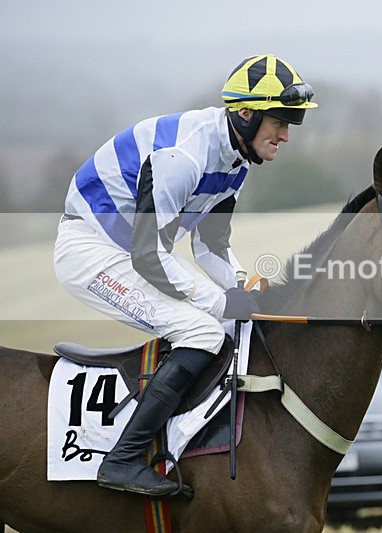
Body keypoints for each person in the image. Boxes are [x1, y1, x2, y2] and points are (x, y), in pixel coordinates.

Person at [53, 54, 317, 498]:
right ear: (246, 114)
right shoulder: (184, 156)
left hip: (130, 249)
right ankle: (122, 460)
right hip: (91, 250)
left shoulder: (236, 159)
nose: (287, 135)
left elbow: (210, 246)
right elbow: (149, 257)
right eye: (280, 122)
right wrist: (218, 302)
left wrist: (242, 286)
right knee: (201, 330)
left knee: (233, 320)